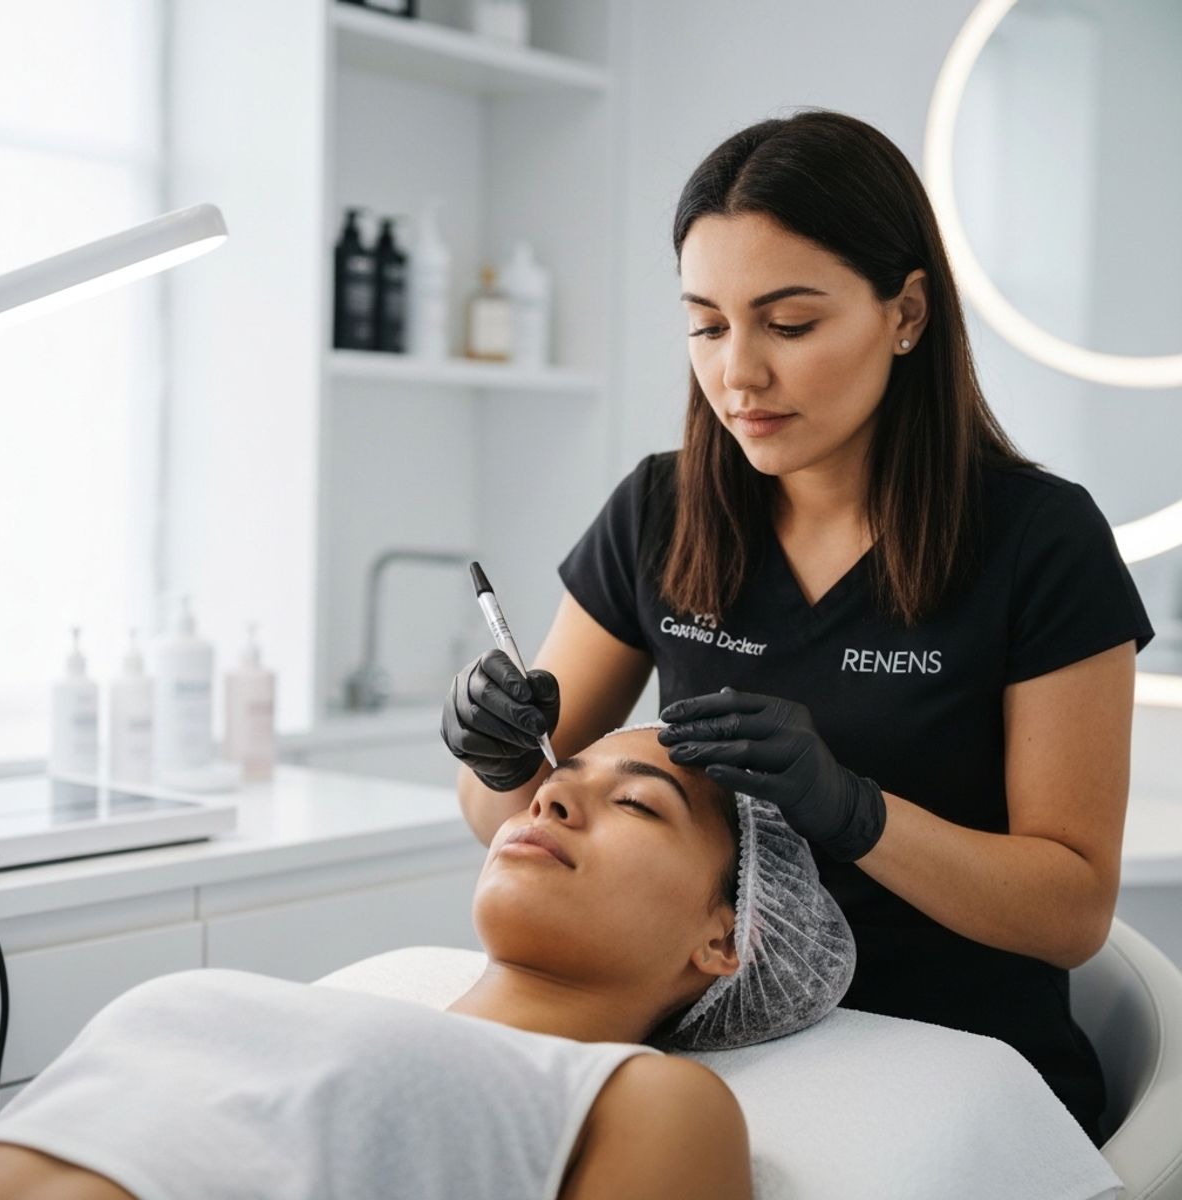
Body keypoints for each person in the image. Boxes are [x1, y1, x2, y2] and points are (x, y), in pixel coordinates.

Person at [442, 108, 1156, 1147]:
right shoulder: (662, 513)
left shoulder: (1038, 543)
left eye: (789, 325)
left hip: (953, 1066)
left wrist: (856, 813)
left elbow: (1071, 912)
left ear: (906, 313)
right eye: (706, 324)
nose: (739, 375)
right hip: (721, 1046)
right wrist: (495, 746)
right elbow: (502, 806)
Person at [0, 723, 855, 1200]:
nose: (548, 793)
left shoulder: (642, 1098)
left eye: (634, 801)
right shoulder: (346, 1005)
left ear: (727, 937)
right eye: (561, 773)